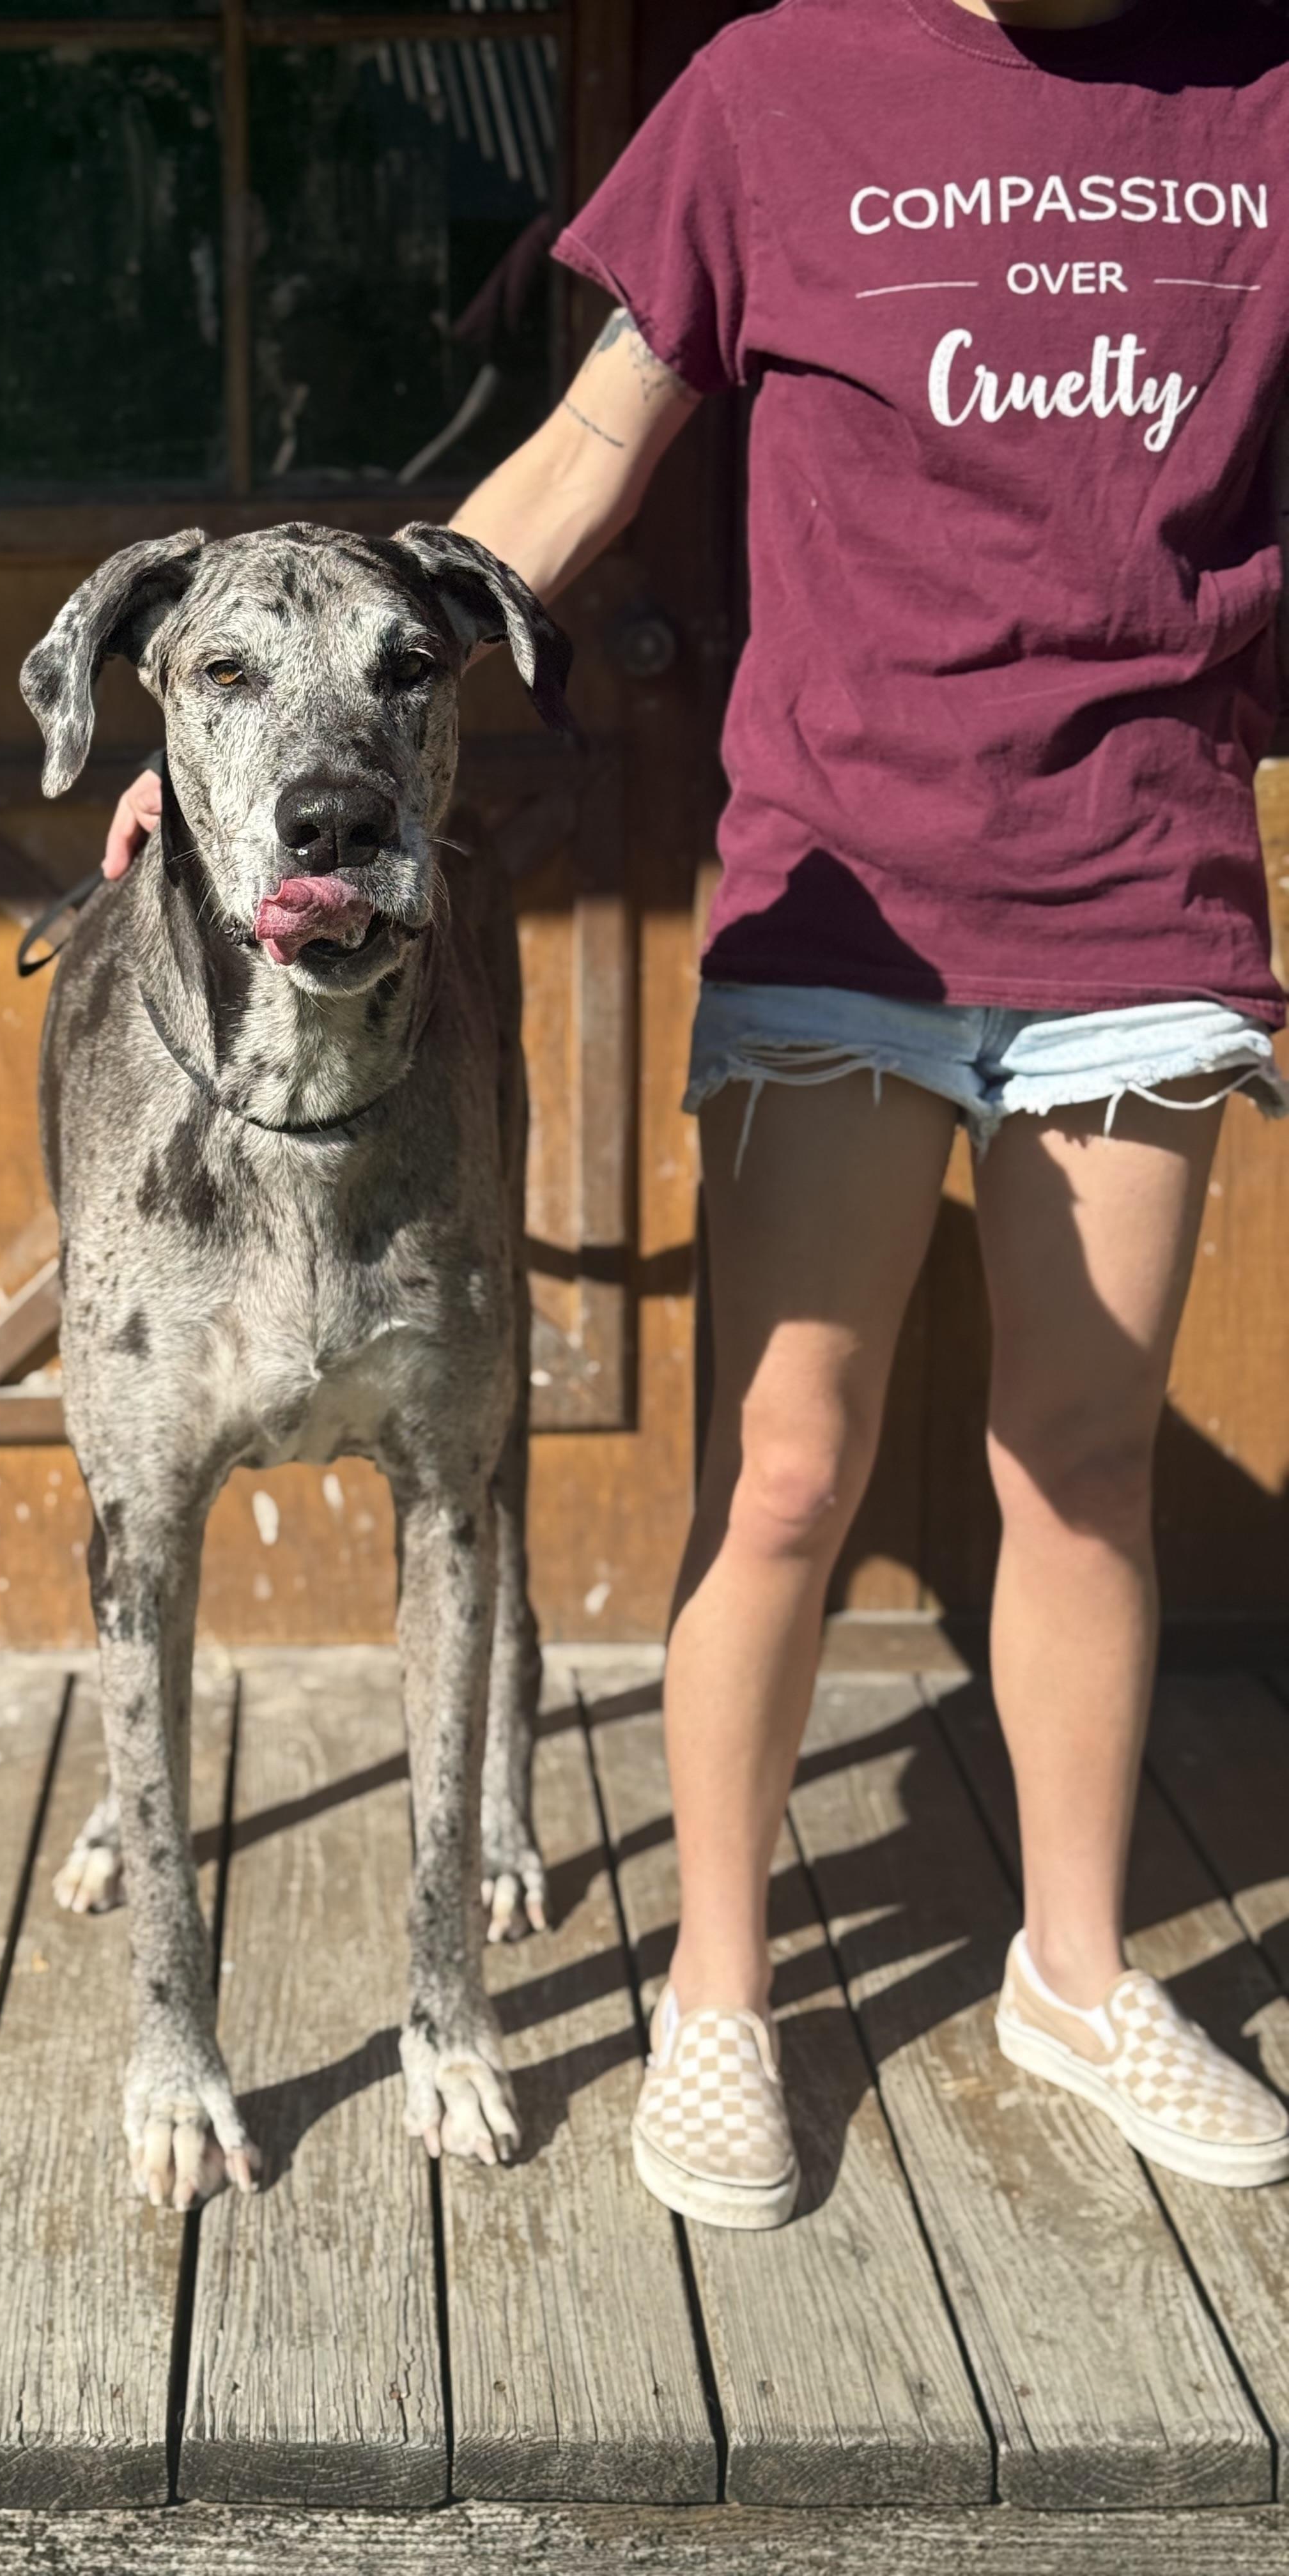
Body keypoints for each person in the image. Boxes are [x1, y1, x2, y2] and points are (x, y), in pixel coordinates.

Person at [102, 0, 1289, 2226]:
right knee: (787, 1476)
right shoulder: (776, 91)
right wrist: (261, 762)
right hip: (846, 890)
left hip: (1141, 890)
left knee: (1088, 1465)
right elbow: (575, 463)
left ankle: (1075, 1972)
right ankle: (721, 1997)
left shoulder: (1268, 93)